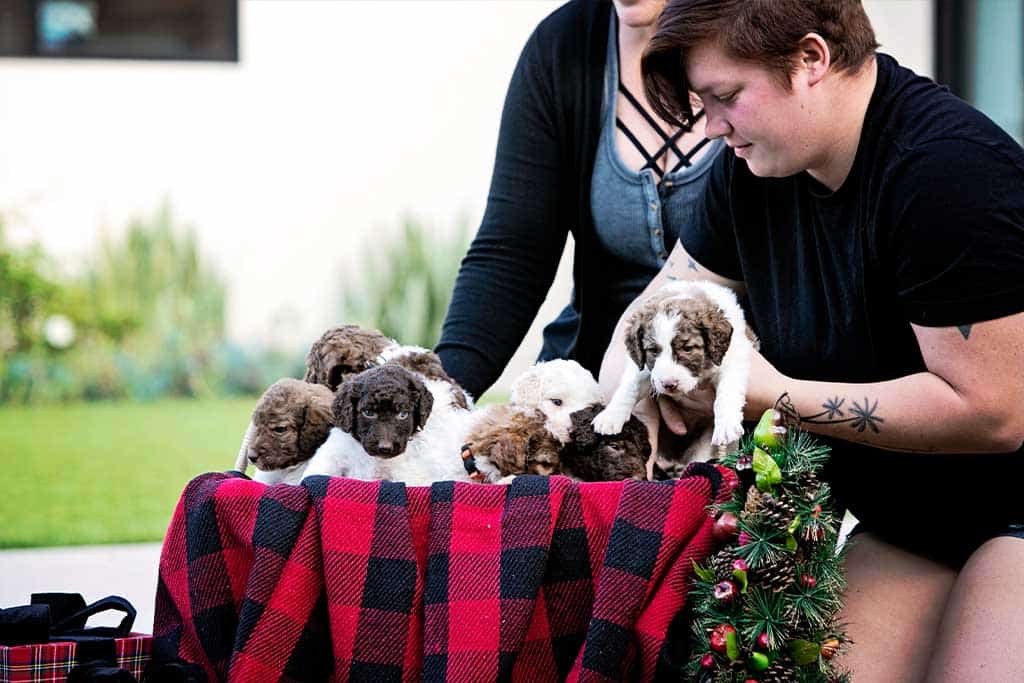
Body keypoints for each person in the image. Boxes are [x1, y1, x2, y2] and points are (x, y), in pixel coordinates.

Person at [600, 0, 1024, 679]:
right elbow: (644, 324)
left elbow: (996, 412)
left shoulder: (944, 174)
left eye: (726, 96)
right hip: (917, 520)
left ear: (810, 60)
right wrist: (645, 402)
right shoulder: (750, 172)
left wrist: (774, 395)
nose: (711, 127)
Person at [435, 0, 724, 401]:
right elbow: (512, 254)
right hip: (591, 384)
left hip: (738, 397)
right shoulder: (563, 46)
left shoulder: (764, 35)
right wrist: (438, 399)